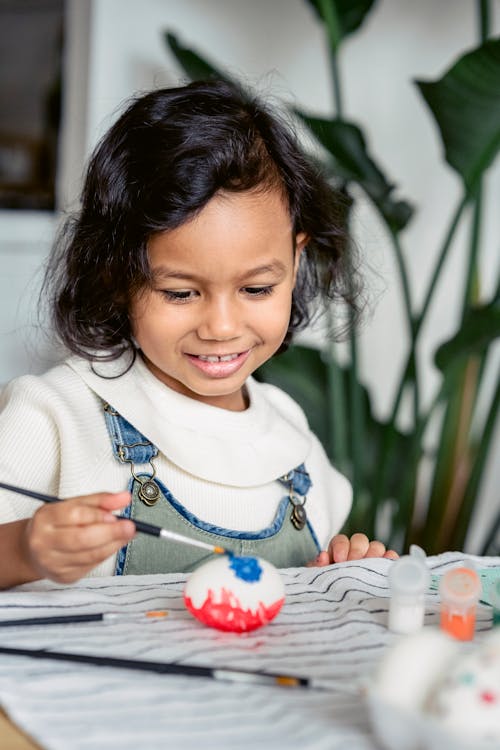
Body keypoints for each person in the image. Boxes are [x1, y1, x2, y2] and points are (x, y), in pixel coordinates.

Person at [0, 79, 397, 588]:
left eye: (256, 288)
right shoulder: (54, 415)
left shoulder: (291, 436)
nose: (222, 328)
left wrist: (339, 571)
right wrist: (24, 549)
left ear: (296, 263)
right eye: (181, 294)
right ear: (117, 277)